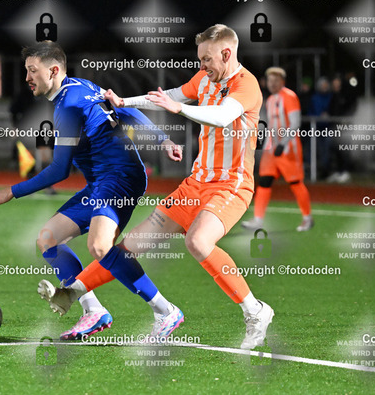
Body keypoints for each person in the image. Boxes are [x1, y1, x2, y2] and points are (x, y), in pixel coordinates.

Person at [46, 24, 275, 350]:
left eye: (207, 59)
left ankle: (255, 311)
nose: (202, 65)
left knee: (198, 241)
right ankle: (75, 293)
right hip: (195, 184)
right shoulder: (205, 79)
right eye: (200, 59)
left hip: (231, 185)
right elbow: (168, 97)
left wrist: (178, 108)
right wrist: (124, 101)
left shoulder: (246, 85)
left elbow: (223, 116)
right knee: (127, 249)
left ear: (227, 54)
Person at [0, 42, 185, 340]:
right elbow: (124, 110)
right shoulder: (82, 86)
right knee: (48, 239)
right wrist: (162, 139)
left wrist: (11, 191)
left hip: (119, 177)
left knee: (100, 247)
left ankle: (166, 311)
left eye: (32, 71)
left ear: (53, 70)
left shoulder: (68, 106)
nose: (27, 78)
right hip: (101, 182)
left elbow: (59, 170)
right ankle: (93, 311)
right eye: (26, 71)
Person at [242, 67, 313, 232]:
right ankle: (258, 220)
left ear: (282, 82)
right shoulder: (270, 100)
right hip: (272, 151)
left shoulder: (289, 96)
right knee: (264, 182)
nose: (272, 84)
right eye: (270, 80)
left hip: (288, 149)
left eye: (276, 80)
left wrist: (283, 143)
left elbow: (295, 123)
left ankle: (307, 218)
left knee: (295, 183)